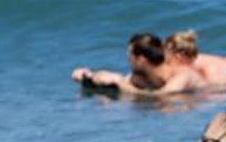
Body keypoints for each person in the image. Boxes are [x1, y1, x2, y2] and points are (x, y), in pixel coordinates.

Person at [71, 33, 206, 97]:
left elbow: (163, 96)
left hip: (208, 97)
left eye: (130, 56)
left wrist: (121, 84)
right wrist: (88, 76)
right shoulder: (141, 76)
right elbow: (124, 84)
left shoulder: (183, 75)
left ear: (141, 59)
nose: (128, 59)